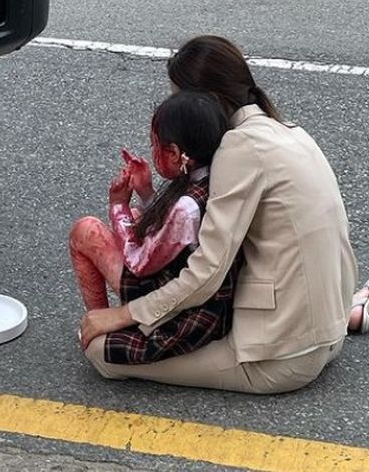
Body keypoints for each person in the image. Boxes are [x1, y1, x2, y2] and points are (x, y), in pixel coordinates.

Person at [79, 35, 369, 394]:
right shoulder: (288, 131)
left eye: (182, 99)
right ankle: (350, 309)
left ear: (206, 102)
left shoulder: (239, 148)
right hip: (325, 330)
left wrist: (123, 315)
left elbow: (206, 272)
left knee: (101, 353)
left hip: (279, 358)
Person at [69, 91, 243, 365]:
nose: (152, 151)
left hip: (182, 311)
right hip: (210, 299)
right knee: (140, 216)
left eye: (155, 145)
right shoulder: (213, 176)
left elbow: (139, 263)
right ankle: (108, 321)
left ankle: (100, 322)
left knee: (85, 231)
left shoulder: (186, 208)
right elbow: (177, 234)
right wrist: (147, 193)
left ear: (175, 153)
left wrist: (118, 206)